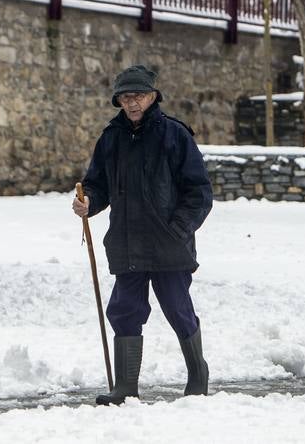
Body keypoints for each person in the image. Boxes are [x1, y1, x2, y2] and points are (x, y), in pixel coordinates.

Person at [72, 63, 213, 405]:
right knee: (124, 309)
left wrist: (177, 229)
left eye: (139, 95)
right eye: (125, 96)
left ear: (153, 96)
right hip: (127, 242)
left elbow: (199, 193)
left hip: (168, 245)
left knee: (178, 308)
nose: (132, 102)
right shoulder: (111, 138)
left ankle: (197, 374)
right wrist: (89, 202)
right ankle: (125, 387)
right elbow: (98, 183)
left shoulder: (175, 135)